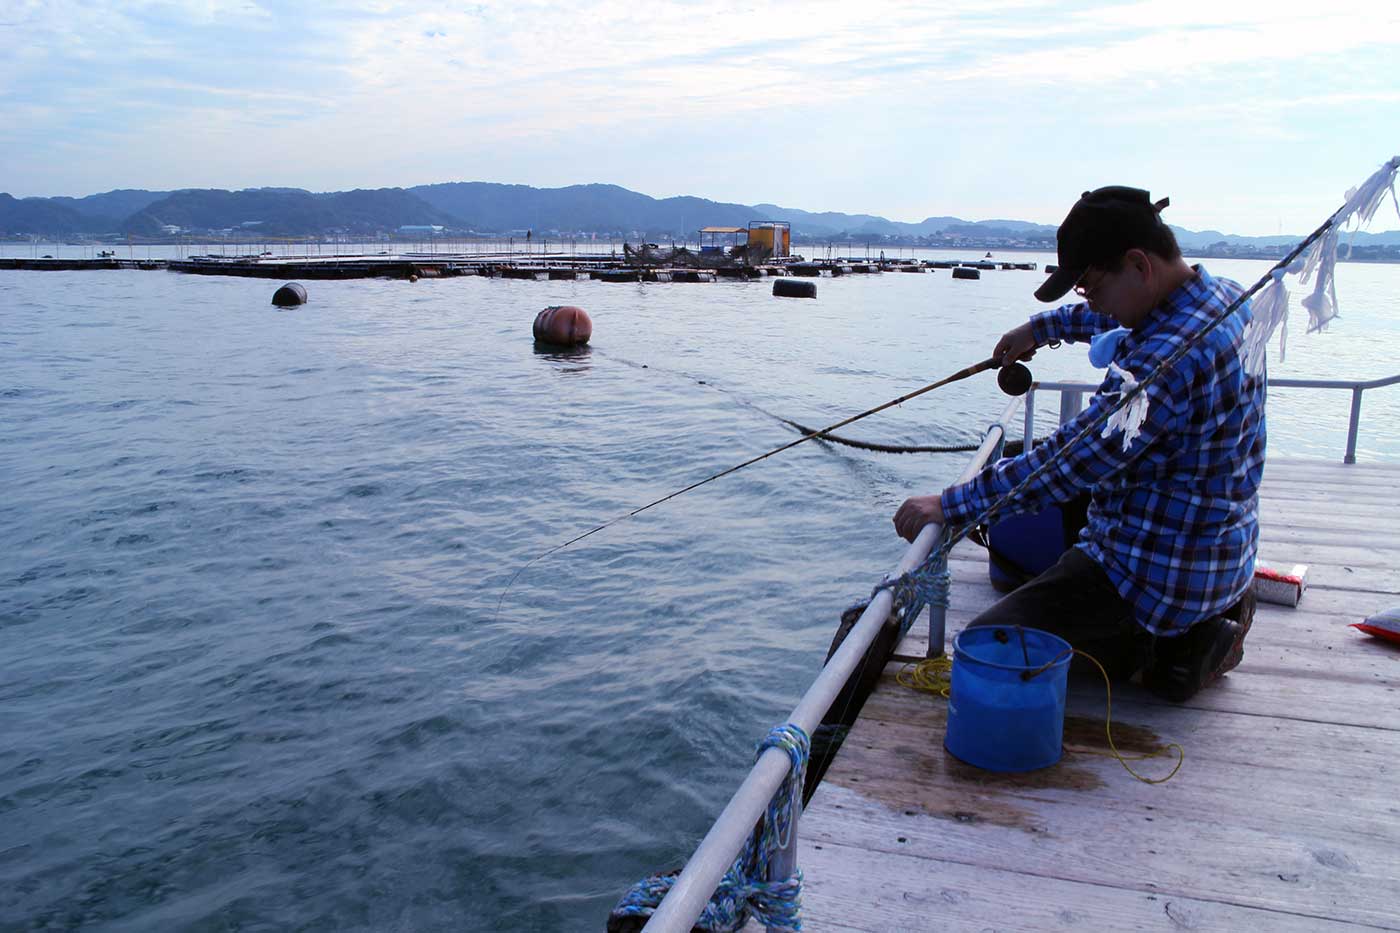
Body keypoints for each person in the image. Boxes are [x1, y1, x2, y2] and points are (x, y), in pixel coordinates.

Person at [893, 186, 1265, 701]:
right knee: (1042, 542)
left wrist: (949, 504)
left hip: (1152, 577)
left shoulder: (1160, 366)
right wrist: (1042, 328)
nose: (1090, 303)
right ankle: (1203, 616)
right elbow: (1119, 315)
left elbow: (1068, 460)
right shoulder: (1223, 297)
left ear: (1138, 264)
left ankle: (1171, 651)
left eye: (1090, 287)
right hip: (1216, 549)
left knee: (985, 648)